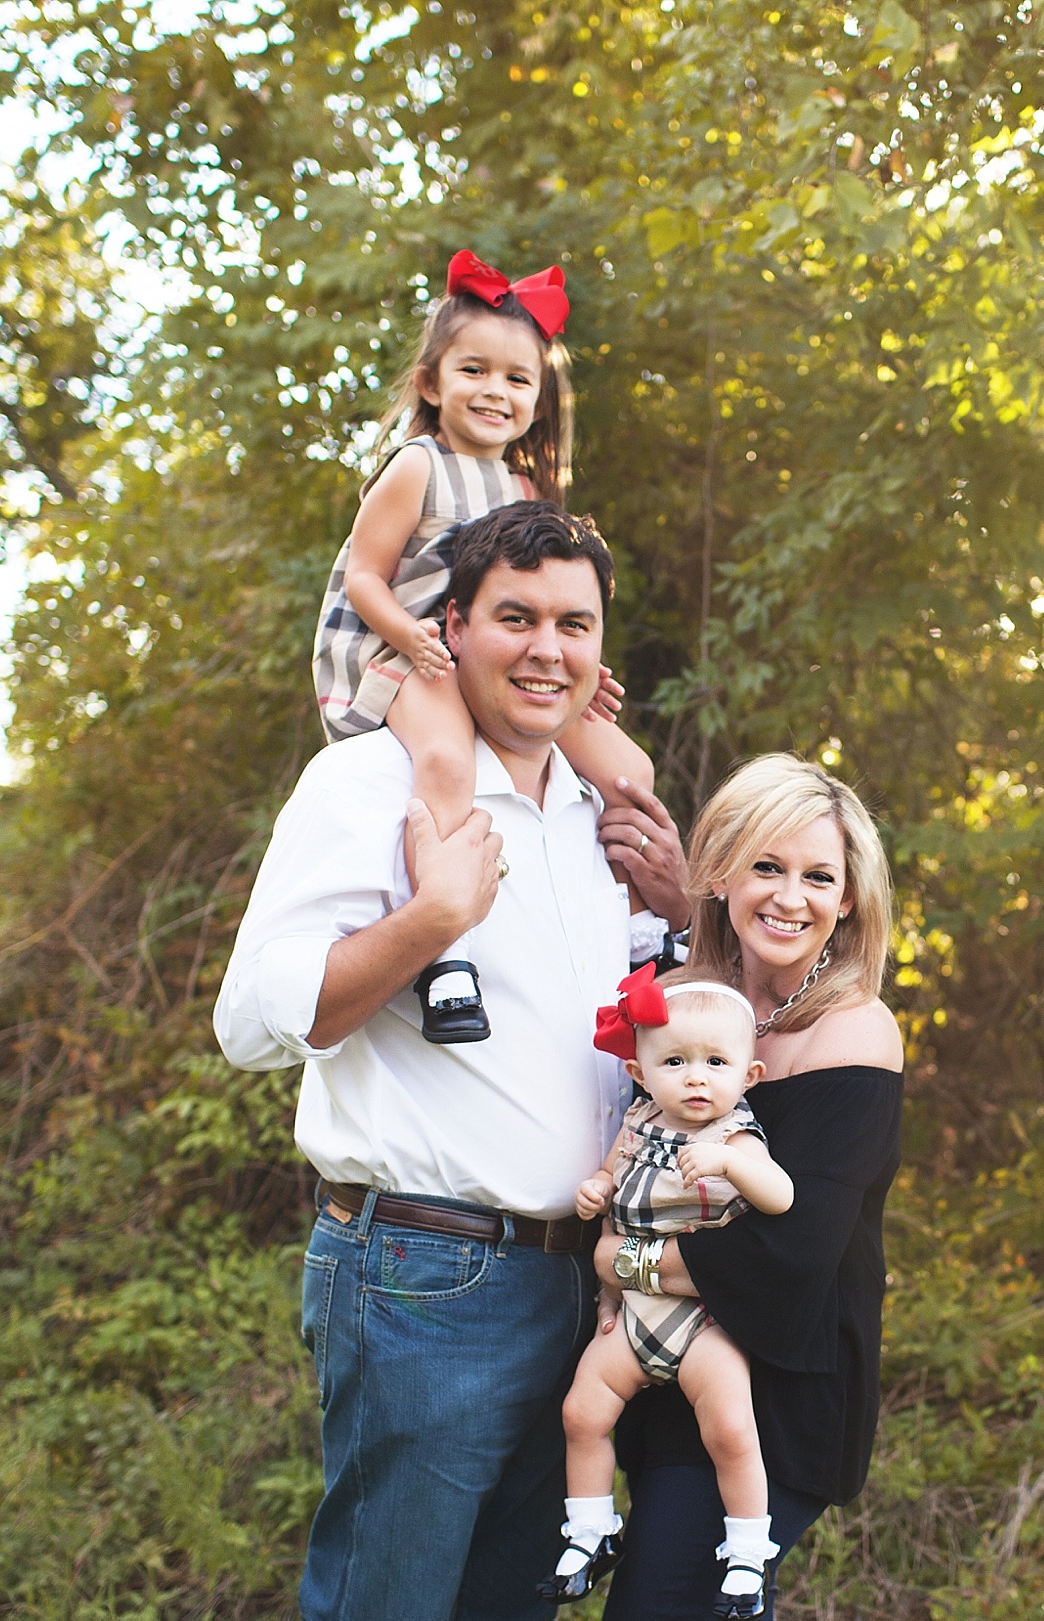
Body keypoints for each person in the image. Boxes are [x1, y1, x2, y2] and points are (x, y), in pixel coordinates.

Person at [216, 501, 690, 1621]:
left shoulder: (594, 816)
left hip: (584, 1284)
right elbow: (249, 1021)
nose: (546, 648)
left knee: (513, 1603)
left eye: (574, 624)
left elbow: (646, 1045)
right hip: (424, 1279)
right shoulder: (369, 787)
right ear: (454, 629)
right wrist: (431, 919)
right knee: (391, 1603)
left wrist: (682, 918)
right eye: (515, 617)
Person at [312, 248, 654, 1043]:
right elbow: (363, 575)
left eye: (516, 379)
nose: (495, 392)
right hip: (409, 648)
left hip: (493, 658)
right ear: (433, 383)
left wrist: (577, 669)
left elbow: (548, 601)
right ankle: (448, 953)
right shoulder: (416, 467)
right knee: (446, 763)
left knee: (628, 770)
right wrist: (413, 638)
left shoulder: (530, 492)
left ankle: (641, 941)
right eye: (474, 371)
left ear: (540, 397)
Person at [601, 756, 906, 1620]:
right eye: (767, 866)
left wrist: (623, 1260)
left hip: (784, 1389)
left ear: (848, 899)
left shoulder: (855, 1029)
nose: (789, 896)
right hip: (669, 1370)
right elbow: (635, 1160)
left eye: (819, 877)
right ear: (724, 871)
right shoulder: (687, 1008)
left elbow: (792, 1249)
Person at [541, 969, 795, 1615]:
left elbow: (781, 1195)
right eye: (674, 1061)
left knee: (732, 1431)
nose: (696, 1076)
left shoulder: (736, 1135)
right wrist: (596, 1187)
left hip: (703, 1319)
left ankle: (745, 1549)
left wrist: (732, 1164)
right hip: (634, 1314)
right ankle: (592, 1527)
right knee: (581, 1413)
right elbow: (612, 1173)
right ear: (639, 1071)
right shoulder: (637, 1123)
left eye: (716, 1061)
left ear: (750, 1074)